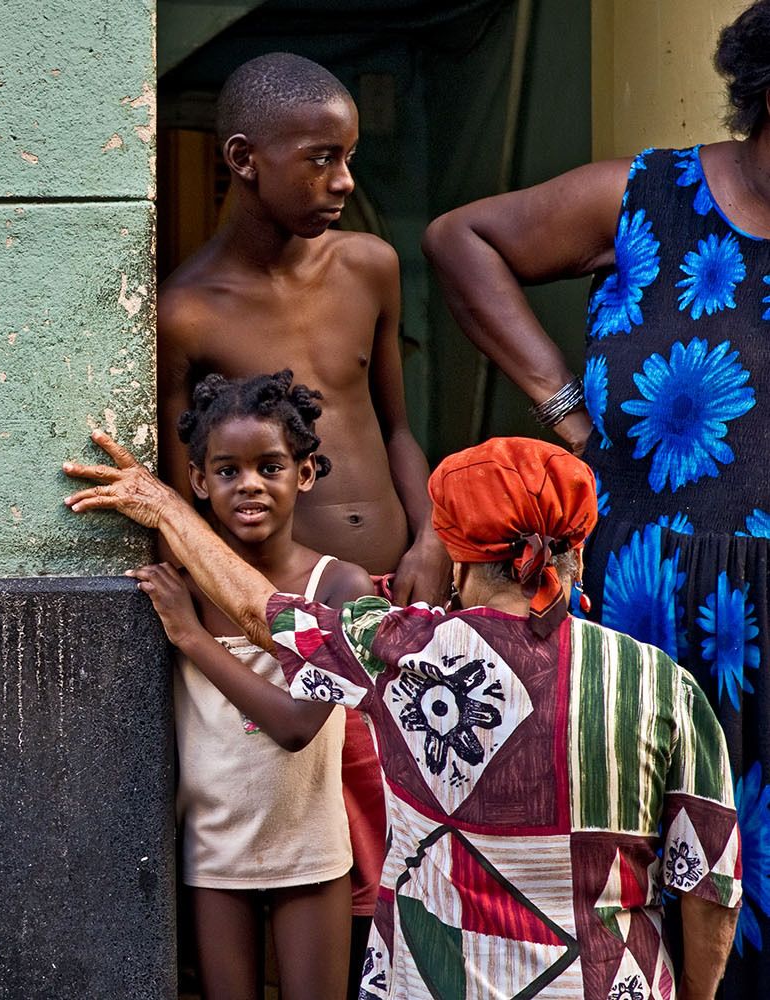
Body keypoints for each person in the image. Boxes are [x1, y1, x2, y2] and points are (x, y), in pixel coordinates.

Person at [63, 432, 742, 1000]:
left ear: (455, 551)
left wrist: (165, 510)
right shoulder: (665, 684)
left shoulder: (403, 652)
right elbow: (712, 883)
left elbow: (257, 610)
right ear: (578, 549)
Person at [422, 3, 770, 990]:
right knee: (641, 856)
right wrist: (570, 414)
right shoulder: (647, 194)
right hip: (645, 601)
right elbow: (462, 240)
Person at [158, 52, 449, 961]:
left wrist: (434, 533)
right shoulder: (189, 315)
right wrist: (252, 611)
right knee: (312, 867)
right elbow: (186, 493)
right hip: (281, 632)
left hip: (396, 604)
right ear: (245, 158)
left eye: (349, 155)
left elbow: (400, 427)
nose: (346, 180)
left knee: (414, 873)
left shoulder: (369, 265)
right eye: (321, 157)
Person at [169, 372, 375, 999]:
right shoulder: (186, 588)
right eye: (226, 471)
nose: (249, 484)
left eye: (271, 466)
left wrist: (194, 639)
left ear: (305, 473)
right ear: (199, 483)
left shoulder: (341, 589)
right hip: (215, 851)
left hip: (309, 849)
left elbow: (294, 724)